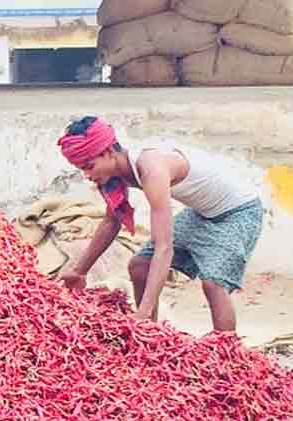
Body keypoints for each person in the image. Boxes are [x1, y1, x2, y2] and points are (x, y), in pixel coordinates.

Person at [56, 116, 264, 333]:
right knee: (139, 266)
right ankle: (151, 336)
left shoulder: (150, 167)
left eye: (89, 166)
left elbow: (163, 247)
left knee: (213, 283)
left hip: (239, 211)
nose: (87, 175)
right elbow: (111, 221)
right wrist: (79, 271)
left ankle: (228, 355)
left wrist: (142, 313)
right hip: (201, 213)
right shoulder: (113, 174)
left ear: (108, 152)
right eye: (82, 169)